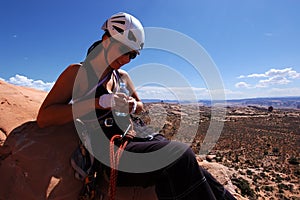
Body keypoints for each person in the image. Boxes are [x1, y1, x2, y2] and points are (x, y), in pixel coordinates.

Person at [37, 12, 236, 200]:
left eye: (132, 55)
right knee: (180, 155)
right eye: (123, 50)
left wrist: (132, 106)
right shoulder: (77, 73)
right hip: (110, 150)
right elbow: (45, 117)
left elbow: (140, 106)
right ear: (106, 40)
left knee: (194, 168)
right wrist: (98, 103)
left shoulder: (122, 77)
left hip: (136, 135)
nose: (125, 60)